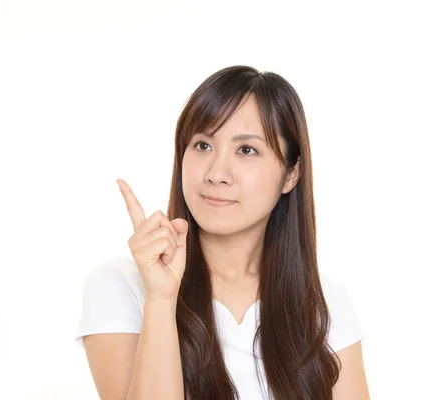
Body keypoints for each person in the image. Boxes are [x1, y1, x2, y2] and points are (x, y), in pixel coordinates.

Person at [74, 65, 370, 400]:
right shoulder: (122, 285)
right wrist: (161, 298)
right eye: (202, 145)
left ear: (291, 174)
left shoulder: (322, 304)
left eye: (246, 150)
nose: (216, 173)